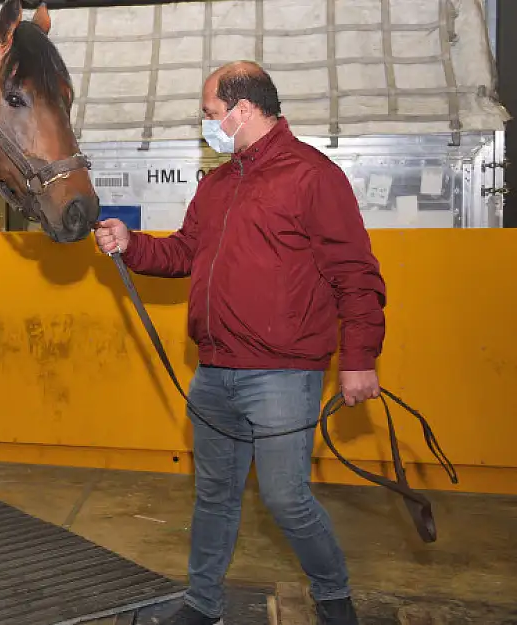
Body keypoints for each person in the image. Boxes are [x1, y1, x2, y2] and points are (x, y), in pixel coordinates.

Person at [94, 61, 386, 625]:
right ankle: (203, 605)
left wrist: (359, 359)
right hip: (214, 371)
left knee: (286, 499)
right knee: (214, 497)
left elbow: (357, 274)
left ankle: (333, 600)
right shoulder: (219, 183)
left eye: (210, 113)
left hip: (283, 373)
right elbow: (183, 252)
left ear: (243, 109)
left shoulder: (312, 176)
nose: (207, 123)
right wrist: (132, 245)